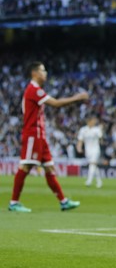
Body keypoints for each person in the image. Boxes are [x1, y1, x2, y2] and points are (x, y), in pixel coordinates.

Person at [9, 61, 89, 212]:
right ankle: (14, 202)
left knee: (50, 168)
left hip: (40, 135)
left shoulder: (35, 90)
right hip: (33, 134)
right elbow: (56, 103)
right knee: (25, 166)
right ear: (35, 73)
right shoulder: (34, 89)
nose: (45, 74)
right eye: (43, 71)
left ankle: (63, 201)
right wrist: (78, 97)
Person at [76, 116, 104, 188]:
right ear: (89, 121)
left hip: (95, 149)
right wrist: (79, 147)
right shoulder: (83, 130)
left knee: (92, 164)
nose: (94, 122)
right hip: (88, 150)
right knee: (93, 165)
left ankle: (89, 181)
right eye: (93, 120)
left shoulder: (97, 129)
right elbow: (80, 140)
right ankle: (99, 181)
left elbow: (101, 139)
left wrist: (101, 130)